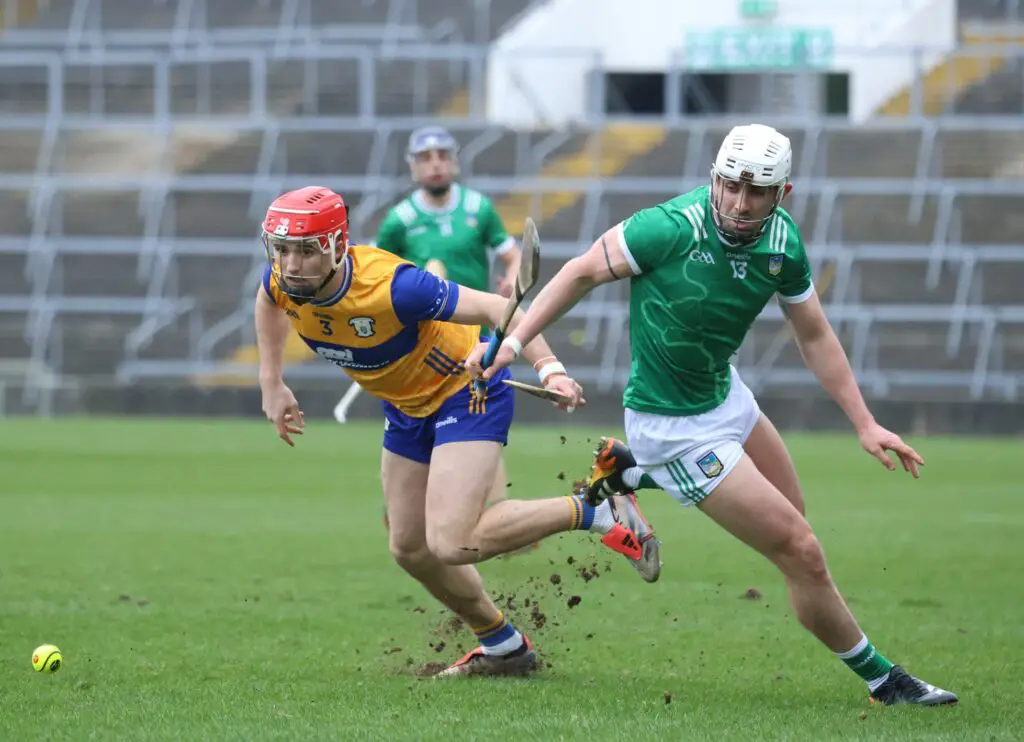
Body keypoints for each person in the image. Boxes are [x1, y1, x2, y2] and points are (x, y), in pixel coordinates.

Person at [467, 124, 958, 705]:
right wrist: (515, 343)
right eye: (730, 186)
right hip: (669, 424)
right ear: (714, 179)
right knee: (800, 550)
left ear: (783, 194)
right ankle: (885, 681)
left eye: (756, 193)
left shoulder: (782, 245)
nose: (739, 203)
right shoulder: (669, 227)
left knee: (796, 518)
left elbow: (816, 335)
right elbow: (579, 272)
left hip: (726, 397)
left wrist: (865, 422)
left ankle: (624, 475)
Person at [255, 185, 660, 678]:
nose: (291, 264)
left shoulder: (394, 287)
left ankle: (598, 507)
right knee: (409, 547)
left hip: (465, 389)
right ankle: (503, 646)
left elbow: (498, 308)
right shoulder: (282, 280)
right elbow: (269, 301)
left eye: (305, 251)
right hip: (406, 407)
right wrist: (271, 382)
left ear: (338, 245)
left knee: (452, 541)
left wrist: (550, 368)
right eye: (282, 250)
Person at [333, 125, 520, 425]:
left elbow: (514, 257)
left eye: (443, 156)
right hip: (422, 336)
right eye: (426, 157)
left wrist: (512, 278)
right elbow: (373, 269)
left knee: (478, 422)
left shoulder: (479, 208)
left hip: (474, 334)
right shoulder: (399, 219)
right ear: (413, 165)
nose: (435, 164)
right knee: (418, 421)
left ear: (455, 162)